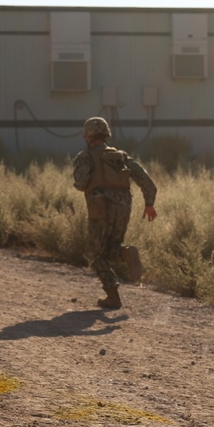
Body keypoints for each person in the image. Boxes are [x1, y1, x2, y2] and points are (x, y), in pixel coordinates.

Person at [72, 116, 157, 309]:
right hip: (124, 206)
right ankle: (126, 253)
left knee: (96, 253)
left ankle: (113, 297)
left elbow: (81, 182)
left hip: (99, 205)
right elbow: (145, 179)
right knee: (112, 248)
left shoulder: (84, 156)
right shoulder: (120, 156)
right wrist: (149, 204)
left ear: (88, 136)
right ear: (106, 135)